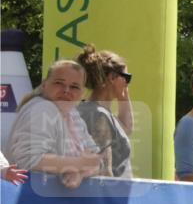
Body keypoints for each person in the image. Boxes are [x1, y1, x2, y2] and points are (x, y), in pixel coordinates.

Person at [7, 59, 105, 189]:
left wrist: (79, 174)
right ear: (44, 85)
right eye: (59, 83)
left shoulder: (72, 113)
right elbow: (28, 160)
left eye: (74, 86)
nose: (66, 90)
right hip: (28, 199)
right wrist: (77, 164)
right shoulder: (43, 108)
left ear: (82, 92)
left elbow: (98, 162)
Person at [76, 44, 133, 178]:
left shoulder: (99, 112)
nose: (127, 83)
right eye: (126, 77)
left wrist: (123, 97)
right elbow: (103, 170)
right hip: (109, 195)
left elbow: (126, 129)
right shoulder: (98, 115)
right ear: (112, 77)